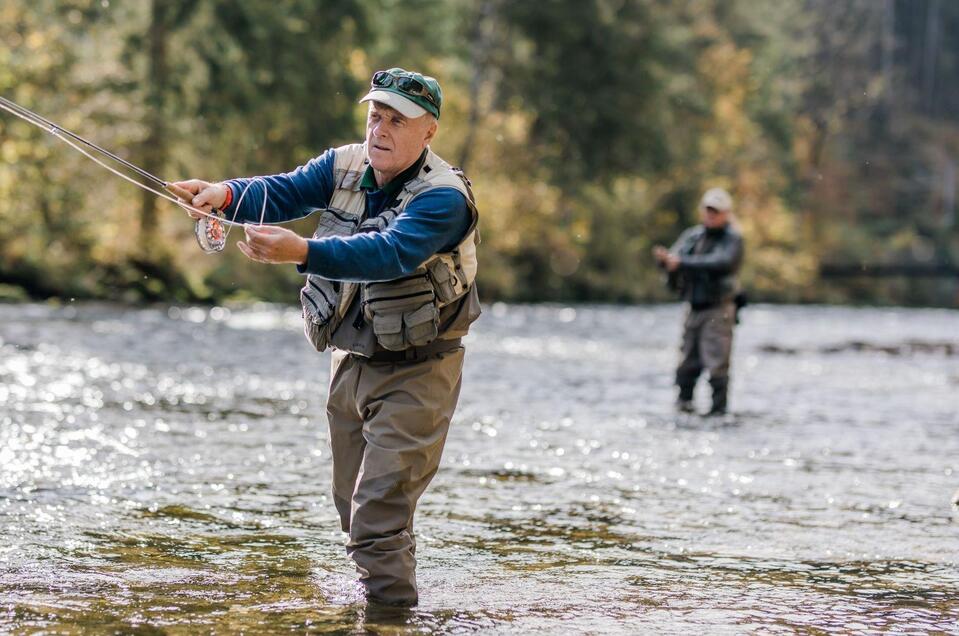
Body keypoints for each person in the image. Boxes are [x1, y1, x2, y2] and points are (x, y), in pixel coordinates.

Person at [173, 68, 480, 607]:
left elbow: (389, 253)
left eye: (397, 121)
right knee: (352, 509)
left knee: (377, 518)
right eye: (375, 116)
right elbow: (284, 192)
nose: (380, 130)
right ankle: (385, 604)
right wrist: (223, 195)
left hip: (420, 371)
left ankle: (389, 619)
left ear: (428, 131)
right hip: (351, 362)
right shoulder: (344, 164)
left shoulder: (445, 199)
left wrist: (302, 253)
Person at [653, 188, 743, 416]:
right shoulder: (693, 236)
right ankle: (684, 407)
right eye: (708, 210)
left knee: (716, 365)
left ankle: (718, 413)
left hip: (718, 310)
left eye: (716, 211)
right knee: (686, 364)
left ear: (726, 214)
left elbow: (721, 262)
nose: (711, 215)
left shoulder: (732, 239)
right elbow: (675, 259)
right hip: (692, 308)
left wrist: (682, 263)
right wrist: (666, 262)